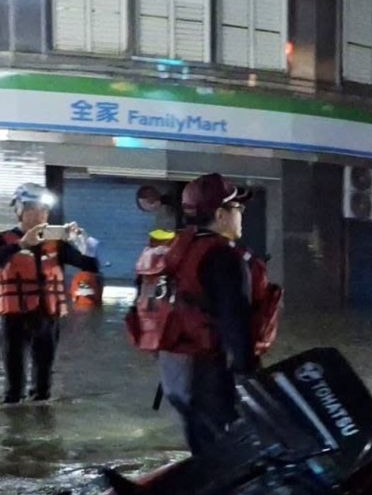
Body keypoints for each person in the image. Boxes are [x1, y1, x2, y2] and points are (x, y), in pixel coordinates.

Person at [125, 173, 265, 450]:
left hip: (173, 371)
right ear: (220, 214)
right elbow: (235, 324)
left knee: (200, 447)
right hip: (208, 375)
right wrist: (251, 379)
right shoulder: (224, 256)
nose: (241, 213)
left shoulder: (173, 249)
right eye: (237, 207)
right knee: (227, 451)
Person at [1, 183, 100, 404]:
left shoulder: (56, 243)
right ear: (19, 211)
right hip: (14, 317)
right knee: (14, 384)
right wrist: (21, 244)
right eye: (32, 210)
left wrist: (85, 242)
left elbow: (90, 266)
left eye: (43, 211)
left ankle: (41, 418)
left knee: (43, 382)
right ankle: (15, 429)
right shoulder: (5, 240)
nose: (39, 216)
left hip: (47, 316)